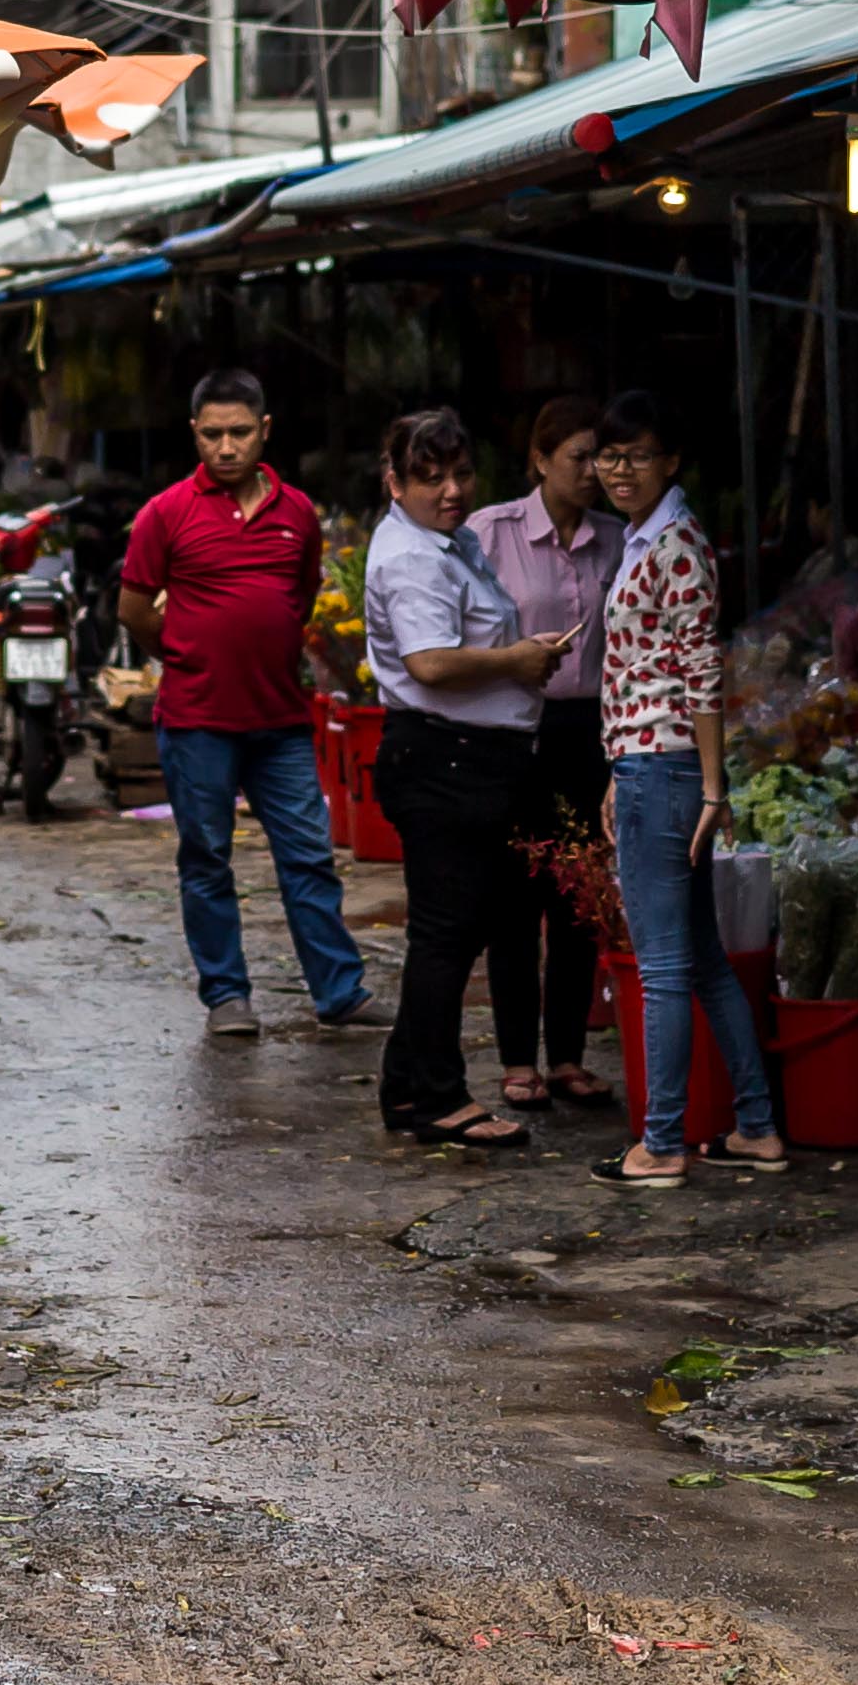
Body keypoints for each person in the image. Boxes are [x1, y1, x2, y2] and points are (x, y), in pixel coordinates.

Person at [116, 365, 367, 1036]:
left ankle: (340, 993)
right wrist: (187, 654)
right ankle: (227, 996)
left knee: (309, 857)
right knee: (206, 859)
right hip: (197, 721)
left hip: (282, 719)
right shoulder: (163, 514)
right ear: (194, 435)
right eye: (212, 435)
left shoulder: (298, 513)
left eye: (238, 433)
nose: (226, 448)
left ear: (264, 431)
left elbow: (301, 597)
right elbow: (135, 610)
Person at [362, 406, 571, 1148]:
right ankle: (441, 1098)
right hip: (444, 760)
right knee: (446, 936)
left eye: (460, 474)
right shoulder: (412, 557)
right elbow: (430, 663)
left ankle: (406, 1089)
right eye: (430, 478)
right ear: (395, 482)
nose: (451, 490)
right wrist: (517, 661)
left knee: (454, 930)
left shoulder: (447, 543)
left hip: (468, 758)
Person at [591, 395, 777, 1184]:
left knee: (663, 966)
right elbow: (648, 670)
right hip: (648, 765)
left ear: (669, 462)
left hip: (665, 773)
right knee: (700, 961)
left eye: (636, 455)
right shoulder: (650, 539)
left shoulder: (674, 544)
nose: (619, 469)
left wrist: (710, 787)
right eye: (608, 455)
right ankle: (757, 1128)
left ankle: (660, 1142)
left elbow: (703, 674)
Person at [466, 394, 620, 1112]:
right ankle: (516, 1060)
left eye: (603, 458)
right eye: (578, 458)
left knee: (578, 901)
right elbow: (460, 629)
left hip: (589, 731)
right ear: (539, 460)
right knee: (512, 899)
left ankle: (566, 1056)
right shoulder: (489, 533)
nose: (593, 472)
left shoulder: (616, 540)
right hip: (512, 727)